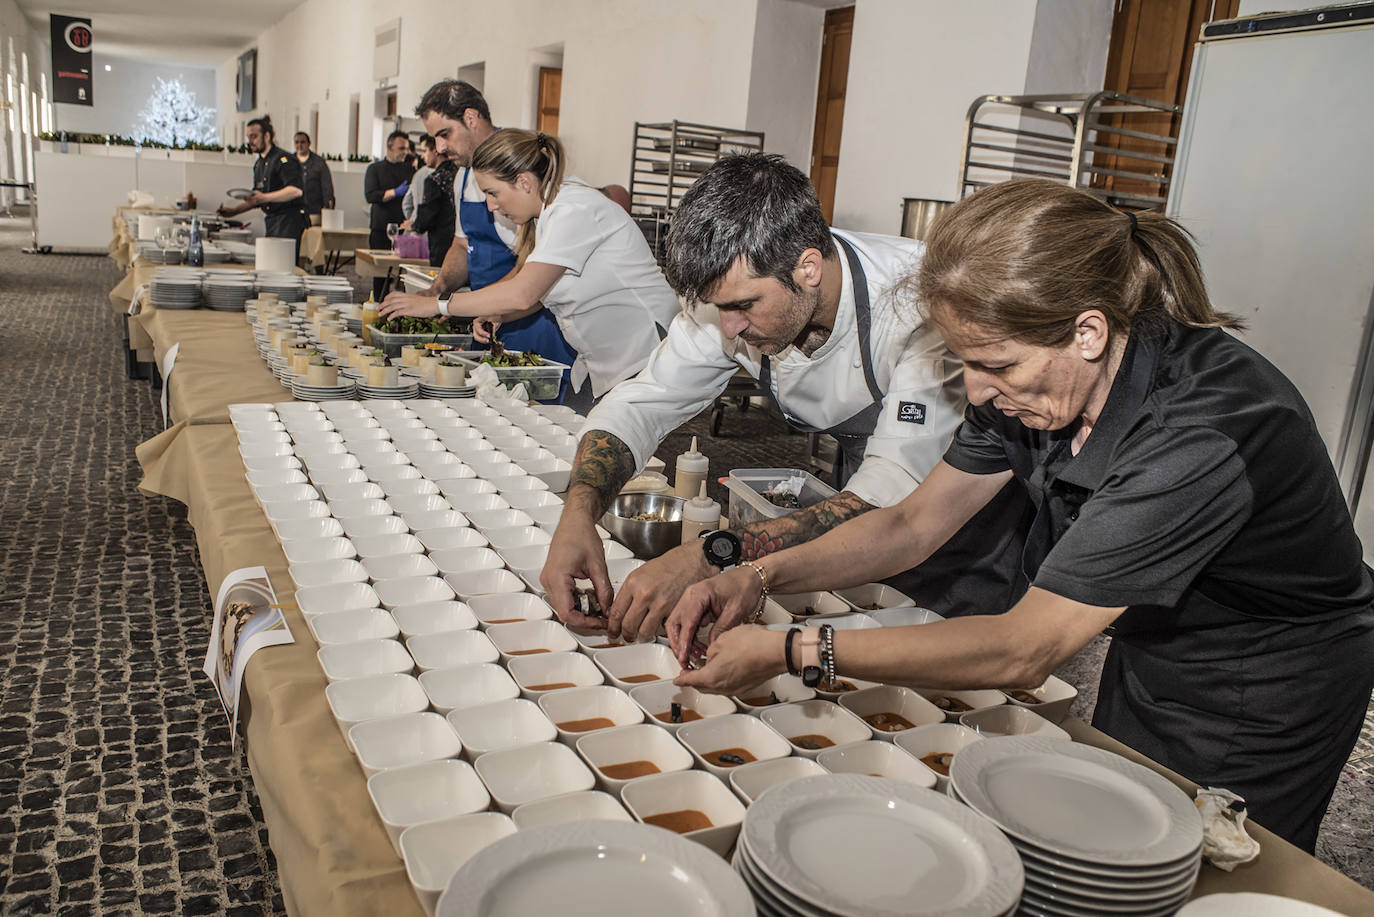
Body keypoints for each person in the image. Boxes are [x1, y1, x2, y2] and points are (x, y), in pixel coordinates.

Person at [668, 178, 1374, 854]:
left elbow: (1022, 648)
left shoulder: (1198, 434)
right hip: (1153, 636)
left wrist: (795, 650)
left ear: (1088, 333)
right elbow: (913, 524)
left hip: (1266, 674)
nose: (977, 388)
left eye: (995, 364)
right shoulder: (1035, 384)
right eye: (965, 361)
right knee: (1118, 823)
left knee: (1208, 855)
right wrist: (758, 574)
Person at [540, 153, 1028, 644]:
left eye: (743, 306)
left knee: (947, 658)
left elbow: (895, 493)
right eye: (717, 309)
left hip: (964, 515)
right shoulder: (729, 296)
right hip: (858, 487)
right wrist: (578, 513)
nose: (729, 327)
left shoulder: (917, 304)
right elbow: (643, 402)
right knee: (852, 634)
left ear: (808, 268)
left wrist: (711, 555)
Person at [380, 129, 678, 409]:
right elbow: (538, 293)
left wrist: (437, 305)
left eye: (493, 192)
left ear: (524, 182)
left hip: (642, 355)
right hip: (605, 359)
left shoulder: (573, 209)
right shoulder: (548, 214)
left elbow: (524, 292)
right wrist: (500, 314)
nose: (490, 205)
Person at [380, 80, 575, 376]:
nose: (440, 148)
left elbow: (529, 273)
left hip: (531, 325)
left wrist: (442, 304)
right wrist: (437, 289)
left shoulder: (519, 172)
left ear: (471, 118)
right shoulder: (463, 177)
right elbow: (462, 245)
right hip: (485, 319)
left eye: (444, 134)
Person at [217, 116, 308, 257]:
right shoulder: (259, 164)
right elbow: (256, 198)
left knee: (281, 264)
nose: (250, 142)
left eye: (254, 136)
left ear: (267, 136)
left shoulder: (283, 159)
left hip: (288, 221)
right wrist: (234, 211)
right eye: (249, 137)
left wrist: (263, 197)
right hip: (272, 221)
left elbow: (295, 191)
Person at [363, 130, 415, 299]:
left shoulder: (409, 169)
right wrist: (394, 192)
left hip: (403, 227)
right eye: (401, 148)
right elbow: (371, 195)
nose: (405, 152)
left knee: (405, 272)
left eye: (406, 148)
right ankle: (379, 302)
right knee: (380, 273)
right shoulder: (375, 169)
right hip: (381, 227)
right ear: (390, 147)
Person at [292, 131, 335, 225]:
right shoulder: (289, 161)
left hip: (314, 212)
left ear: (309, 143)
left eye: (302, 142)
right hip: (293, 212)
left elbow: (327, 187)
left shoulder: (319, 163)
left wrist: (328, 208)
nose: (299, 145)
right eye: (297, 142)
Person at [401, 134, 437, 226]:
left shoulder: (419, 174)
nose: (421, 156)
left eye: (424, 151)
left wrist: (413, 219)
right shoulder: (450, 174)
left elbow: (407, 203)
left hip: (416, 230)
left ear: (436, 150)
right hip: (435, 232)